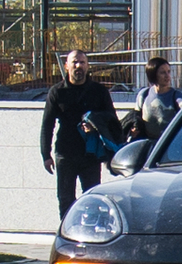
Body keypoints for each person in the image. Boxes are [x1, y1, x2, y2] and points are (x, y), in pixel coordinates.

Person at [40, 49, 124, 215]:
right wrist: (46, 155)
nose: (78, 66)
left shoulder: (98, 91)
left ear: (87, 66)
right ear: (66, 67)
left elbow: (112, 119)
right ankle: (67, 235)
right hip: (65, 153)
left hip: (90, 155)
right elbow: (47, 124)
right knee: (65, 199)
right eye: (74, 62)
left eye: (82, 62)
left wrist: (95, 123)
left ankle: (91, 234)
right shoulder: (57, 92)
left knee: (92, 197)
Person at [133, 55, 182, 141]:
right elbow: (136, 117)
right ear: (153, 74)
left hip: (170, 143)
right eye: (162, 72)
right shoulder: (144, 95)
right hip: (149, 145)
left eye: (168, 72)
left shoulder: (176, 96)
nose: (167, 76)